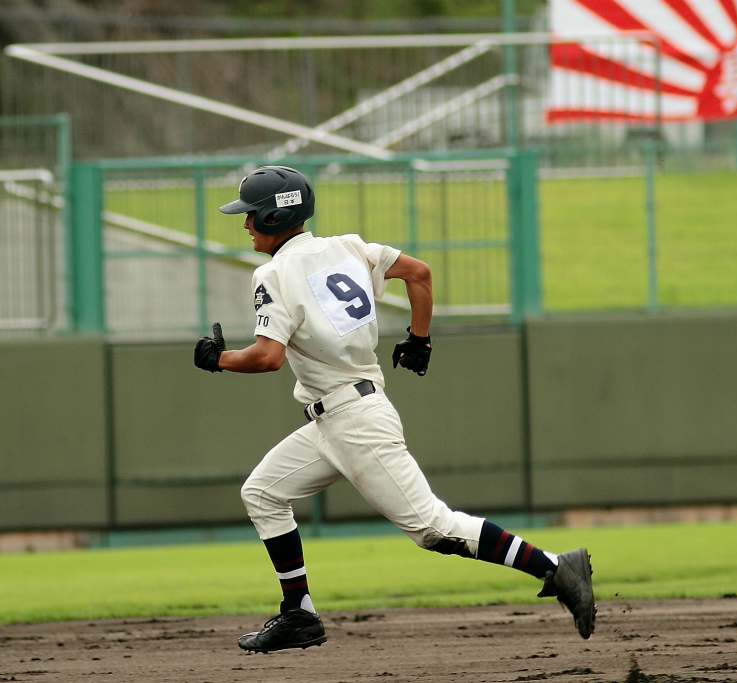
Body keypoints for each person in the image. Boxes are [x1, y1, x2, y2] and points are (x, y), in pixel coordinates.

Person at [193, 165, 595, 653]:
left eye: (251, 215)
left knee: (432, 528)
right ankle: (298, 613)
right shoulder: (348, 247)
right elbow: (419, 273)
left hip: (354, 420)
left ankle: (556, 566)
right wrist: (419, 338)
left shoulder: (273, 273)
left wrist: (219, 360)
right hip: (339, 415)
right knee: (263, 492)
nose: (245, 224)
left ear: (276, 217)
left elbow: (267, 357)